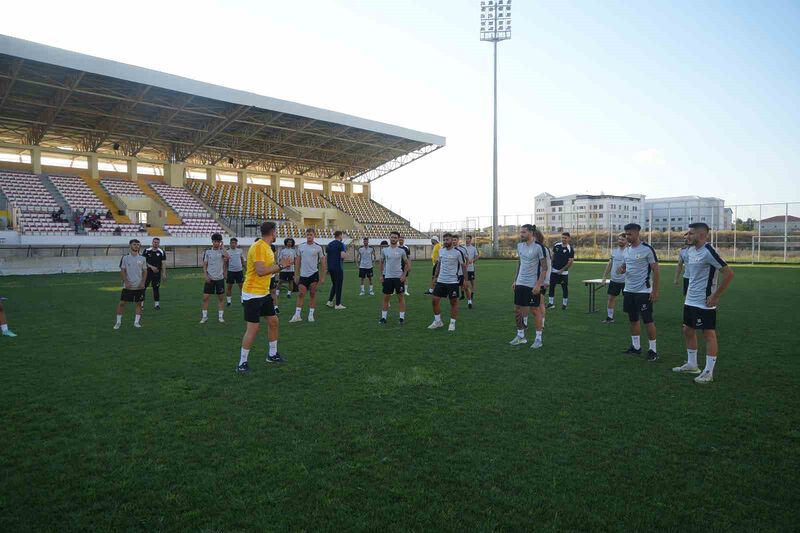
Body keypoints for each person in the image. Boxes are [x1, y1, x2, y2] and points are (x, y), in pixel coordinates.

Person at [672, 223, 735, 383]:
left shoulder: (709, 251)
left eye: (691, 233)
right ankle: (692, 364)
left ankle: (708, 371)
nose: (688, 236)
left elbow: (728, 273)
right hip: (690, 299)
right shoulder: (691, 251)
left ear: (701, 235)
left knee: (708, 334)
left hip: (704, 301)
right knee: (687, 330)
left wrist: (715, 295)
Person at [236, 222, 295, 373]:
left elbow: (269, 270)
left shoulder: (267, 248)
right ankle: (242, 363)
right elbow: (261, 271)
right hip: (252, 293)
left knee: (274, 321)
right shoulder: (259, 247)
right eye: (276, 232)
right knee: (253, 328)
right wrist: (281, 266)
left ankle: (272, 354)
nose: (277, 235)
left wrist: (280, 266)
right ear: (273, 232)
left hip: (263, 292)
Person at [617, 223, 660, 361]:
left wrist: (655, 291)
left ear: (637, 233)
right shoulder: (627, 250)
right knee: (633, 319)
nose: (627, 237)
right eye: (626, 234)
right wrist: (623, 269)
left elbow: (656, 270)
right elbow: (626, 265)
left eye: (630, 234)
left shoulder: (647, 249)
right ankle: (636, 347)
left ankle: (653, 350)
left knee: (648, 321)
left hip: (643, 291)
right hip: (628, 290)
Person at [509, 224, 549, 348]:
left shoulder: (539, 247)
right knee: (518, 309)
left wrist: (538, 284)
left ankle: (538, 339)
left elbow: (544, 268)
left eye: (524, 232)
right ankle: (521, 336)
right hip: (520, 283)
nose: (521, 234)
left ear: (531, 233)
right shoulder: (520, 246)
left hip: (532, 284)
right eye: (520, 232)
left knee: (535, 310)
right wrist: (515, 280)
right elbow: (520, 264)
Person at [428, 233, 467, 331]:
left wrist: (465, 280)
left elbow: (463, 266)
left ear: (452, 240)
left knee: (453, 302)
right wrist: (435, 276)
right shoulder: (441, 251)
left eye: (447, 240)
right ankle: (438, 321)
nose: (445, 241)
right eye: (444, 240)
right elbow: (439, 265)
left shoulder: (458, 253)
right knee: (434, 300)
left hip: (453, 281)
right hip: (441, 280)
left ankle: (452, 323)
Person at [290, 228, 326, 323]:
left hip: (313, 275)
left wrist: (323, 277)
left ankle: (311, 315)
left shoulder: (318, 248)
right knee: (301, 293)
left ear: (314, 235)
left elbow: (323, 263)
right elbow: (297, 262)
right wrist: (296, 275)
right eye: (308, 234)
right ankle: (297, 315)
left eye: (311, 234)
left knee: (312, 294)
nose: (309, 236)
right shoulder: (301, 247)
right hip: (303, 275)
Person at [378, 231, 410, 325]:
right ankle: (383, 318)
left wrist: (404, 275)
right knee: (386, 298)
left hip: (398, 278)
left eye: (395, 237)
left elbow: (407, 264)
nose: (393, 239)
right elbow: (381, 262)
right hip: (388, 277)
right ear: (389, 238)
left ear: (398, 239)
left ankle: (401, 318)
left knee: (400, 297)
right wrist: (381, 275)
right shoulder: (384, 250)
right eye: (392, 237)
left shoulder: (401, 251)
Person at [114, 238, 147, 330]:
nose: (136, 246)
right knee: (122, 303)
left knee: (139, 304)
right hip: (128, 286)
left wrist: (143, 282)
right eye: (134, 244)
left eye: (138, 244)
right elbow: (122, 270)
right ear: (130, 246)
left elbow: (145, 271)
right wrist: (126, 282)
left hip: (139, 286)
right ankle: (118, 322)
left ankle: (136, 322)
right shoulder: (125, 258)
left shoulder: (143, 258)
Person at [201, 233, 229, 324]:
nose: (216, 243)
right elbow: (205, 265)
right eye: (215, 241)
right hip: (210, 278)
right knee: (205, 298)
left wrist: (223, 246)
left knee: (221, 298)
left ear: (220, 242)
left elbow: (228, 257)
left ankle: (221, 317)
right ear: (212, 242)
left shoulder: (222, 251)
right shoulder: (208, 252)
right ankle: (204, 317)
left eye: (218, 241)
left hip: (220, 279)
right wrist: (205, 275)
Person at [601, 233, 628, 323]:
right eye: (619, 239)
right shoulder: (614, 251)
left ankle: (635, 317)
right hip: (614, 280)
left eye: (622, 239)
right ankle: (610, 317)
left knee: (630, 300)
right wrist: (604, 276)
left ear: (627, 241)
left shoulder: (630, 251)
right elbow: (610, 264)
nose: (620, 241)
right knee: (611, 298)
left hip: (626, 281)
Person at [547, 232, 575, 310]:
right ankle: (551, 303)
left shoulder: (570, 249)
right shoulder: (556, 246)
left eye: (565, 238)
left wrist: (562, 270)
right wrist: (551, 265)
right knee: (552, 286)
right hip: (554, 270)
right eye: (562, 237)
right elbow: (553, 255)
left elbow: (570, 262)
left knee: (564, 288)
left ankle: (564, 304)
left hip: (564, 273)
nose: (563, 239)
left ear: (569, 239)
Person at [325, 230, 347, 310]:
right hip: (338, 267)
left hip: (330, 267)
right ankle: (338, 304)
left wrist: (328, 268)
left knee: (334, 284)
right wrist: (345, 254)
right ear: (340, 235)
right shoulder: (341, 244)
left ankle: (330, 301)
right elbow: (342, 256)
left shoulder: (329, 244)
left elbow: (327, 257)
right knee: (339, 285)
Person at [143, 237, 167, 310]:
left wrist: (164, 273)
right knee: (143, 288)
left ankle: (157, 305)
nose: (156, 243)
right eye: (154, 242)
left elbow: (163, 263)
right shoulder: (146, 251)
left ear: (159, 243)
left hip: (157, 273)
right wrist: (151, 267)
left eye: (157, 242)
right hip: (147, 273)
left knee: (156, 288)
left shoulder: (161, 252)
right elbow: (143, 262)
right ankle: (141, 304)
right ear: (152, 242)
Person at [225, 237, 246, 306]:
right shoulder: (227, 252)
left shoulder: (240, 251)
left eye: (234, 243)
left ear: (236, 244)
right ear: (230, 244)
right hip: (231, 271)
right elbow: (226, 263)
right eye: (232, 243)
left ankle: (242, 300)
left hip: (239, 271)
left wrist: (246, 268)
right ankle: (229, 301)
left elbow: (242, 260)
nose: (233, 244)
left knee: (241, 286)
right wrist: (225, 272)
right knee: (229, 287)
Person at [452, 235, 470, 302]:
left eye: (455, 240)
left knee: (465, 287)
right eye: (452, 240)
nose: (453, 241)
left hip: (461, 272)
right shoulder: (449, 249)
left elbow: (467, 259)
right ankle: (455, 303)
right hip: (453, 274)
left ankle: (469, 301)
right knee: (454, 289)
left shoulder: (463, 249)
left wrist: (466, 267)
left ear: (458, 241)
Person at [464, 235, 479, 308]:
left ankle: (472, 294)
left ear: (471, 240)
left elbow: (477, 256)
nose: (467, 240)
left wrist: (472, 260)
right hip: (463, 268)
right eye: (466, 239)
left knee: (472, 283)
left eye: (468, 239)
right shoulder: (463, 248)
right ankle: (464, 295)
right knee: (464, 283)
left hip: (471, 268)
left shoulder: (473, 248)